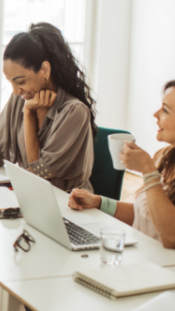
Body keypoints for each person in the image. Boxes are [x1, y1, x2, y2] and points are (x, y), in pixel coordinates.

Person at [0, 22, 96, 192]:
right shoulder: (21, 98)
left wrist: (28, 113)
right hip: (29, 196)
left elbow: (38, 174)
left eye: (21, 82)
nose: (16, 91)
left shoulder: (73, 111)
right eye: (11, 83)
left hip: (66, 204)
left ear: (45, 69)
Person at [69, 80, 175, 248]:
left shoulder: (152, 166)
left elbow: (171, 237)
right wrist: (97, 202)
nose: (155, 114)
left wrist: (148, 170)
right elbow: (145, 215)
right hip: (142, 257)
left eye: (166, 110)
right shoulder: (165, 157)